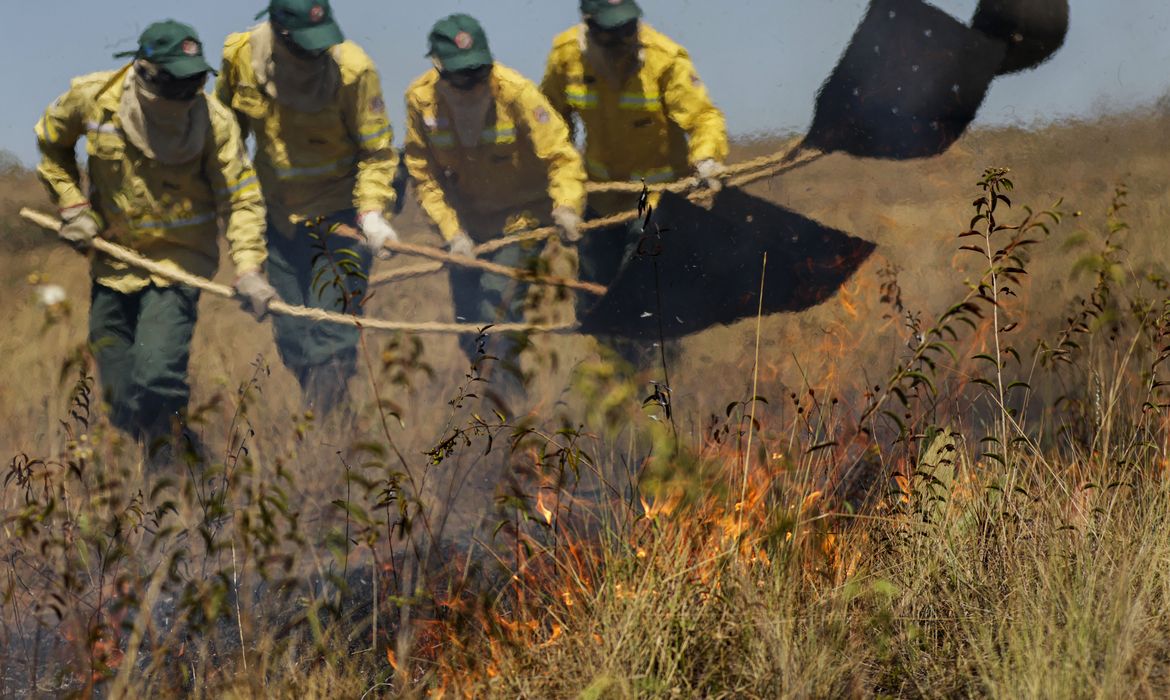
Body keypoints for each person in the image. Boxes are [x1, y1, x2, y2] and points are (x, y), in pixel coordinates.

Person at [35, 20, 273, 453]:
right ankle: (191, 465)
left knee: (157, 379)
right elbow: (51, 145)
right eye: (175, 80)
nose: (185, 90)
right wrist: (72, 206)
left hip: (178, 268)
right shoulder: (93, 98)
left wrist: (250, 268)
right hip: (112, 267)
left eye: (195, 79)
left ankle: (178, 485)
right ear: (144, 71)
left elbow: (241, 200)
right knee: (120, 399)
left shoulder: (214, 121)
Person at [216, 0, 400, 415]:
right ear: (279, 32)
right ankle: (339, 427)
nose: (316, 51)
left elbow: (378, 153)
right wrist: (243, 245)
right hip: (278, 221)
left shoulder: (354, 70)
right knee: (297, 344)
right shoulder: (240, 56)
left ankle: (327, 457)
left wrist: (370, 213)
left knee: (332, 341)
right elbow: (224, 140)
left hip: (341, 218)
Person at [404, 14, 587, 377]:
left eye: (478, 70)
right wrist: (453, 235)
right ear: (439, 68)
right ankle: (503, 397)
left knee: (495, 312)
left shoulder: (516, 92)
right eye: (461, 73)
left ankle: (504, 415)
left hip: (520, 221)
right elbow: (425, 178)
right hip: (465, 229)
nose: (472, 81)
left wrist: (567, 206)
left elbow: (560, 155)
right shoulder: (420, 101)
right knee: (467, 327)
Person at [541, 0, 729, 295]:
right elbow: (551, 132)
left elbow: (704, 117)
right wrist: (565, 200)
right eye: (612, 30)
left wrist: (707, 157)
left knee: (638, 284)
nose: (624, 37)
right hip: (600, 200)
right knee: (594, 297)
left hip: (658, 199)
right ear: (589, 25)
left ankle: (656, 340)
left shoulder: (665, 59)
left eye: (629, 27)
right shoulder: (566, 56)